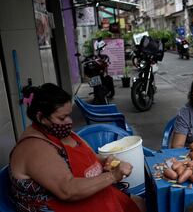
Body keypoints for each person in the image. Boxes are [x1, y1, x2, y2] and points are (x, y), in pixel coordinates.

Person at [9, 83, 145, 212]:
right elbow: (67, 190)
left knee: (139, 203)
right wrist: (113, 176)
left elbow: (89, 157)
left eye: (69, 115)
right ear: (41, 117)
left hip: (88, 196)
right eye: (62, 118)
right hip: (62, 204)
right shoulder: (34, 148)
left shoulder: (57, 131)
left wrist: (106, 160)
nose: (69, 121)